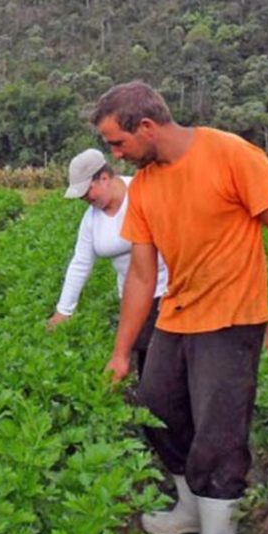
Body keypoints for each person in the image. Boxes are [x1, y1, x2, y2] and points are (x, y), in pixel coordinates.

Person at [92, 80, 268, 534]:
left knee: (219, 427)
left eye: (118, 143)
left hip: (233, 317)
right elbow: (143, 275)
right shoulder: (144, 187)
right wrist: (122, 352)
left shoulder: (230, 154)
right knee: (155, 408)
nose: (115, 155)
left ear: (145, 127)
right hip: (176, 314)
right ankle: (191, 508)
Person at [47, 148, 168, 375]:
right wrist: (64, 310)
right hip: (133, 297)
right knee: (144, 360)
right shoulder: (92, 218)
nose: (85, 199)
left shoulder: (144, 192)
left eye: (87, 192)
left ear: (104, 177)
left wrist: (180, 287)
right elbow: (80, 263)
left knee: (166, 363)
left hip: (168, 291)